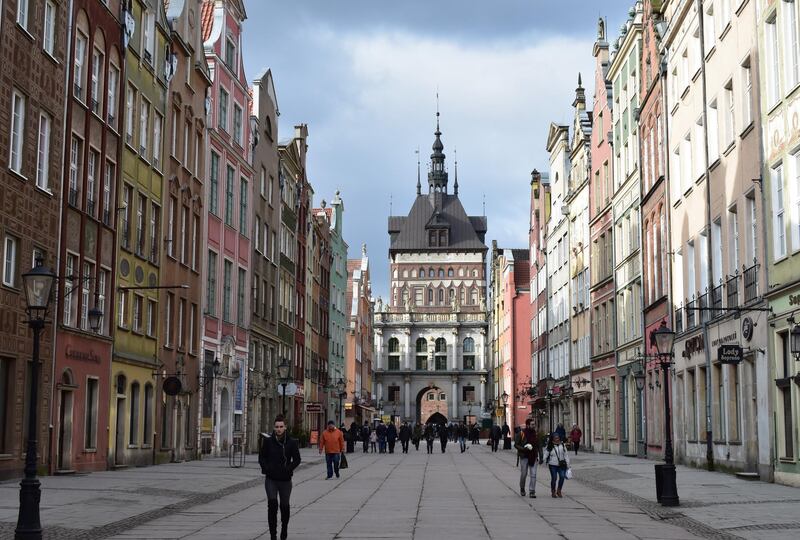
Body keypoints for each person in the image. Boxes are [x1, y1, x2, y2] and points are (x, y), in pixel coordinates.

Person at [258, 415, 301, 540]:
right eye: (277, 427)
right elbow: (261, 457)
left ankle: (284, 531)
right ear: (273, 427)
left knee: (284, 506)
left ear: (285, 427)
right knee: (272, 504)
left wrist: (288, 469)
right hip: (271, 479)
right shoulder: (268, 442)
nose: (279, 429)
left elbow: (297, 459)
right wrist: (266, 468)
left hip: (285, 480)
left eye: (281, 427)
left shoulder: (291, 442)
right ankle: (273, 535)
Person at [514, 418, 543, 498]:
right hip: (524, 456)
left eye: (534, 424)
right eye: (532, 424)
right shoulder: (521, 433)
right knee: (524, 474)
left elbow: (539, 445)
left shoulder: (536, 434)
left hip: (533, 456)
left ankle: (532, 491)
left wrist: (541, 456)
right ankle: (522, 488)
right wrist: (523, 449)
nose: (534, 426)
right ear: (527, 425)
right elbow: (516, 445)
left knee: (533, 474)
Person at [545, 433, 570, 498]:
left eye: (558, 438)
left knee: (562, 477)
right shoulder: (550, 445)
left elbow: (566, 455)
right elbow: (546, 454)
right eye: (555, 438)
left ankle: (559, 490)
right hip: (552, 464)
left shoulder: (562, 445)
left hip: (561, 464)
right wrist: (541, 459)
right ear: (553, 439)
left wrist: (568, 464)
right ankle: (553, 491)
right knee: (554, 478)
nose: (557, 439)